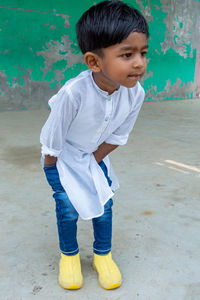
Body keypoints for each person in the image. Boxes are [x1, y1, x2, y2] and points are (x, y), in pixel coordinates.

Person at [40, 0, 149, 290]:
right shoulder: (74, 93)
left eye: (143, 52)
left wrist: (94, 160)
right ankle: (70, 257)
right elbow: (52, 135)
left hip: (93, 155)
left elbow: (119, 134)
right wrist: (53, 168)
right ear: (94, 61)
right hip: (60, 157)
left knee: (104, 203)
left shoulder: (135, 93)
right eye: (127, 54)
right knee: (67, 208)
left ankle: (103, 255)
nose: (139, 63)